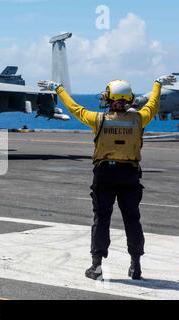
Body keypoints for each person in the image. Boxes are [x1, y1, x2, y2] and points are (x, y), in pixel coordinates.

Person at [38, 74, 177, 280]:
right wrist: (157, 84)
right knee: (133, 220)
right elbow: (153, 104)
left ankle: (96, 266)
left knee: (101, 219)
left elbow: (74, 108)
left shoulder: (99, 119)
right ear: (129, 98)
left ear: (109, 98)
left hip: (105, 174)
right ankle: (136, 265)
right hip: (130, 174)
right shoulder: (140, 118)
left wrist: (58, 88)